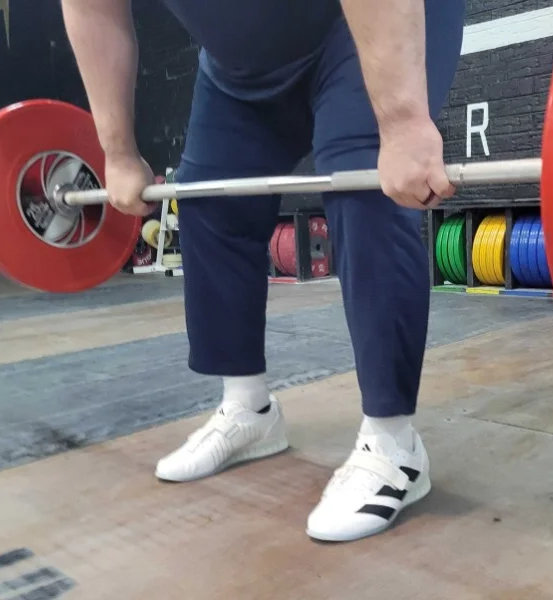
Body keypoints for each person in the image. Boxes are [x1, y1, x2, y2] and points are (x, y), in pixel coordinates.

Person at [60, 0, 466, 542]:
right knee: (208, 199)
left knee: (364, 184)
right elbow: (94, 11)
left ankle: (395, 447)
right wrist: (117, 152)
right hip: (239, 67)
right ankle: (249, 410)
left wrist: (404, 124)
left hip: (363, 22)